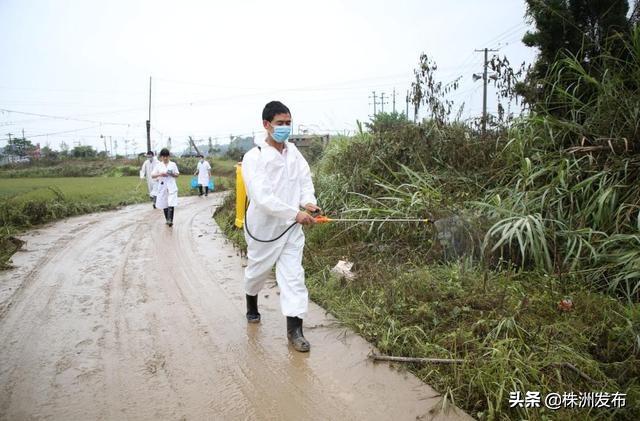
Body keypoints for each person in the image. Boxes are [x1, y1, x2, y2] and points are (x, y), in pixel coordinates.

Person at [241, 101, 320, 352]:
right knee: (257, 272)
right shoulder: (254, 157)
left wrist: (309, 204)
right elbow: (262, 198)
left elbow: (305, 181)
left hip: (291, 229)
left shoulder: (295, 153)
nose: (285, 127)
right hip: (264, 229)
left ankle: (295, 331)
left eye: (288, 123)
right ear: (266, 125)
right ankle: (251, 303)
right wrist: (294, 213)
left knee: (294, 277)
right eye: (280, 123)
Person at [152, 148, 180, 227]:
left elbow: (177, 175)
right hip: (162, 186)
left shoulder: (173, 164)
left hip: (171, 186)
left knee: (171, 202)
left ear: (169, 156)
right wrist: (160, 174)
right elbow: (153, 175)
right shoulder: (158, 165)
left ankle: (170, 220)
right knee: (164, 203)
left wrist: (172, 174)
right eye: (163, 156)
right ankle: (167, 219)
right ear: (161, 157)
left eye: (166, 156)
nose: (165, 158)